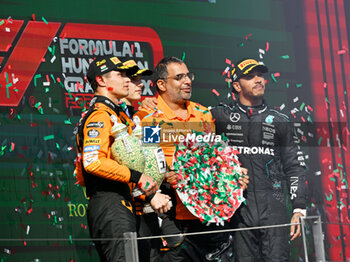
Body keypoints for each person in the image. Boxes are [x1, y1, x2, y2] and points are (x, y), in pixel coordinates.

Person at [136, 56, 249, 262]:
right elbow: (144, 162)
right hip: (172, 216)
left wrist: (232, 175)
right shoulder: (149, 118)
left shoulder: (202, 114)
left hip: (210, 214)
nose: (187, 81)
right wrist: (164, 176)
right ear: (161, 84)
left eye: (189, 76)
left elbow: (213, 159)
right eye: (179, 77)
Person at [73, 55, 168, 262]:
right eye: (121, 75)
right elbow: (93, 162)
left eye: (129, 76)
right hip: (110, 201)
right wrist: (138, 177)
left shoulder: (124, 115)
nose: (131, 81)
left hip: (125, 201)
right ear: (101, 80)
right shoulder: (100, 115)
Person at [210, 58, 307, 262]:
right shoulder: (219, 116)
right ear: (236, 85)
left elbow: (295, 166)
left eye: (260, 75)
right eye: (249, 76)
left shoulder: (281, 120)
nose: (258, 80)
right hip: (238, 214)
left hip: (275, 211)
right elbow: (180, 125)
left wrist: (299, 208)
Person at [120, 59, 167, 262]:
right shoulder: (112, 118)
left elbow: (155, 159)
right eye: (133, 79)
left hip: (149, 210)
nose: (140, 84)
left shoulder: (147, 116)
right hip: (126, 210)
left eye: (140, 79)